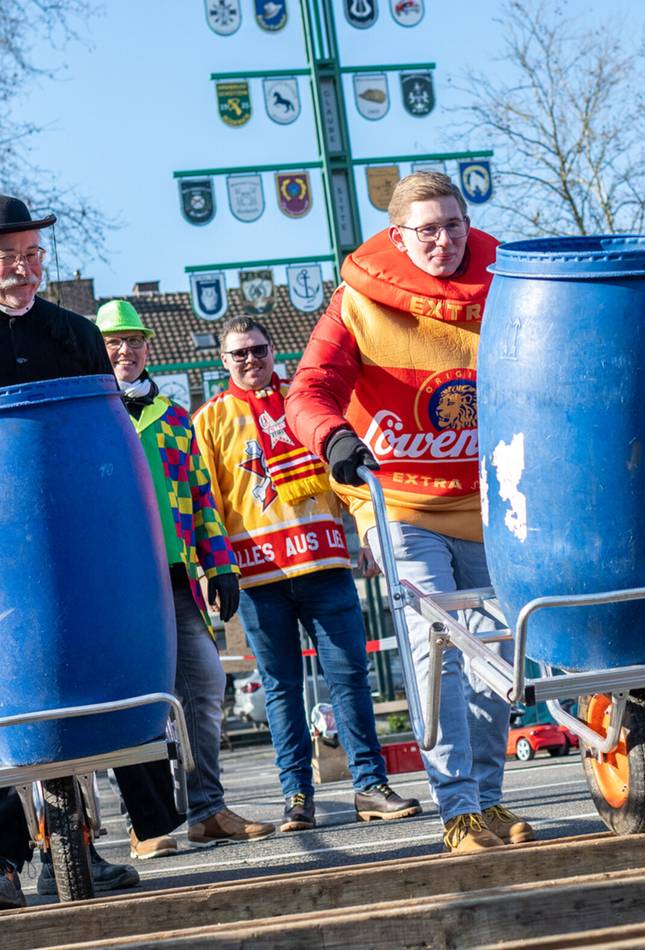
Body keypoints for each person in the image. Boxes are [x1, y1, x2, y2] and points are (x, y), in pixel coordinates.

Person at [285, 171, 534, 853]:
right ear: (399, 236)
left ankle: (487, 800)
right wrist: (333, 437)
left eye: (454, 225)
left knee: (498, 655)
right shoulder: (358, 302)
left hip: (487, 503)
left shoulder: (506, 287)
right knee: (437, 649)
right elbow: (309, 388)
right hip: (401, 506)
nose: (444, 241)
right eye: (427, 229)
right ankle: (456, 810)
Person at [0, 194, 170, 898]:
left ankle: (89, 841)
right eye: (10, 259)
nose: (24, 271)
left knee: (91, 663)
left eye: (33, 257)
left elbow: (103, 424)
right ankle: (5, 860)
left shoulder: (73, 332)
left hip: (76, 521)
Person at [193, 316, 420, 832]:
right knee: (280, 688)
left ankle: (369, 785)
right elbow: (206, 502)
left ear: (274, 350)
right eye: (239, 354)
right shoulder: (210, 420)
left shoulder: (307, 406)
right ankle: (296, 796)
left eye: (258, 349)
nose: (251, 360)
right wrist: (213, 567)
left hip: (324, 563)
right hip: (259, 577)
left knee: (350, 678)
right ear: (223, 361)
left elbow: (349, 470)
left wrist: (366, 532)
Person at [95, 300, 276, 854]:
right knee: (140, 698)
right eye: (114, 342)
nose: (126, 351)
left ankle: (206, 808)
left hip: (177, 577)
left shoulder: (175, 418)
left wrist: (221, 565)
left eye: (134, 341)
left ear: (149, 346)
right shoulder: (94, 416)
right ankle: (142, 820)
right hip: (119, 582)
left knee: (202, 684)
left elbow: (202, 497)